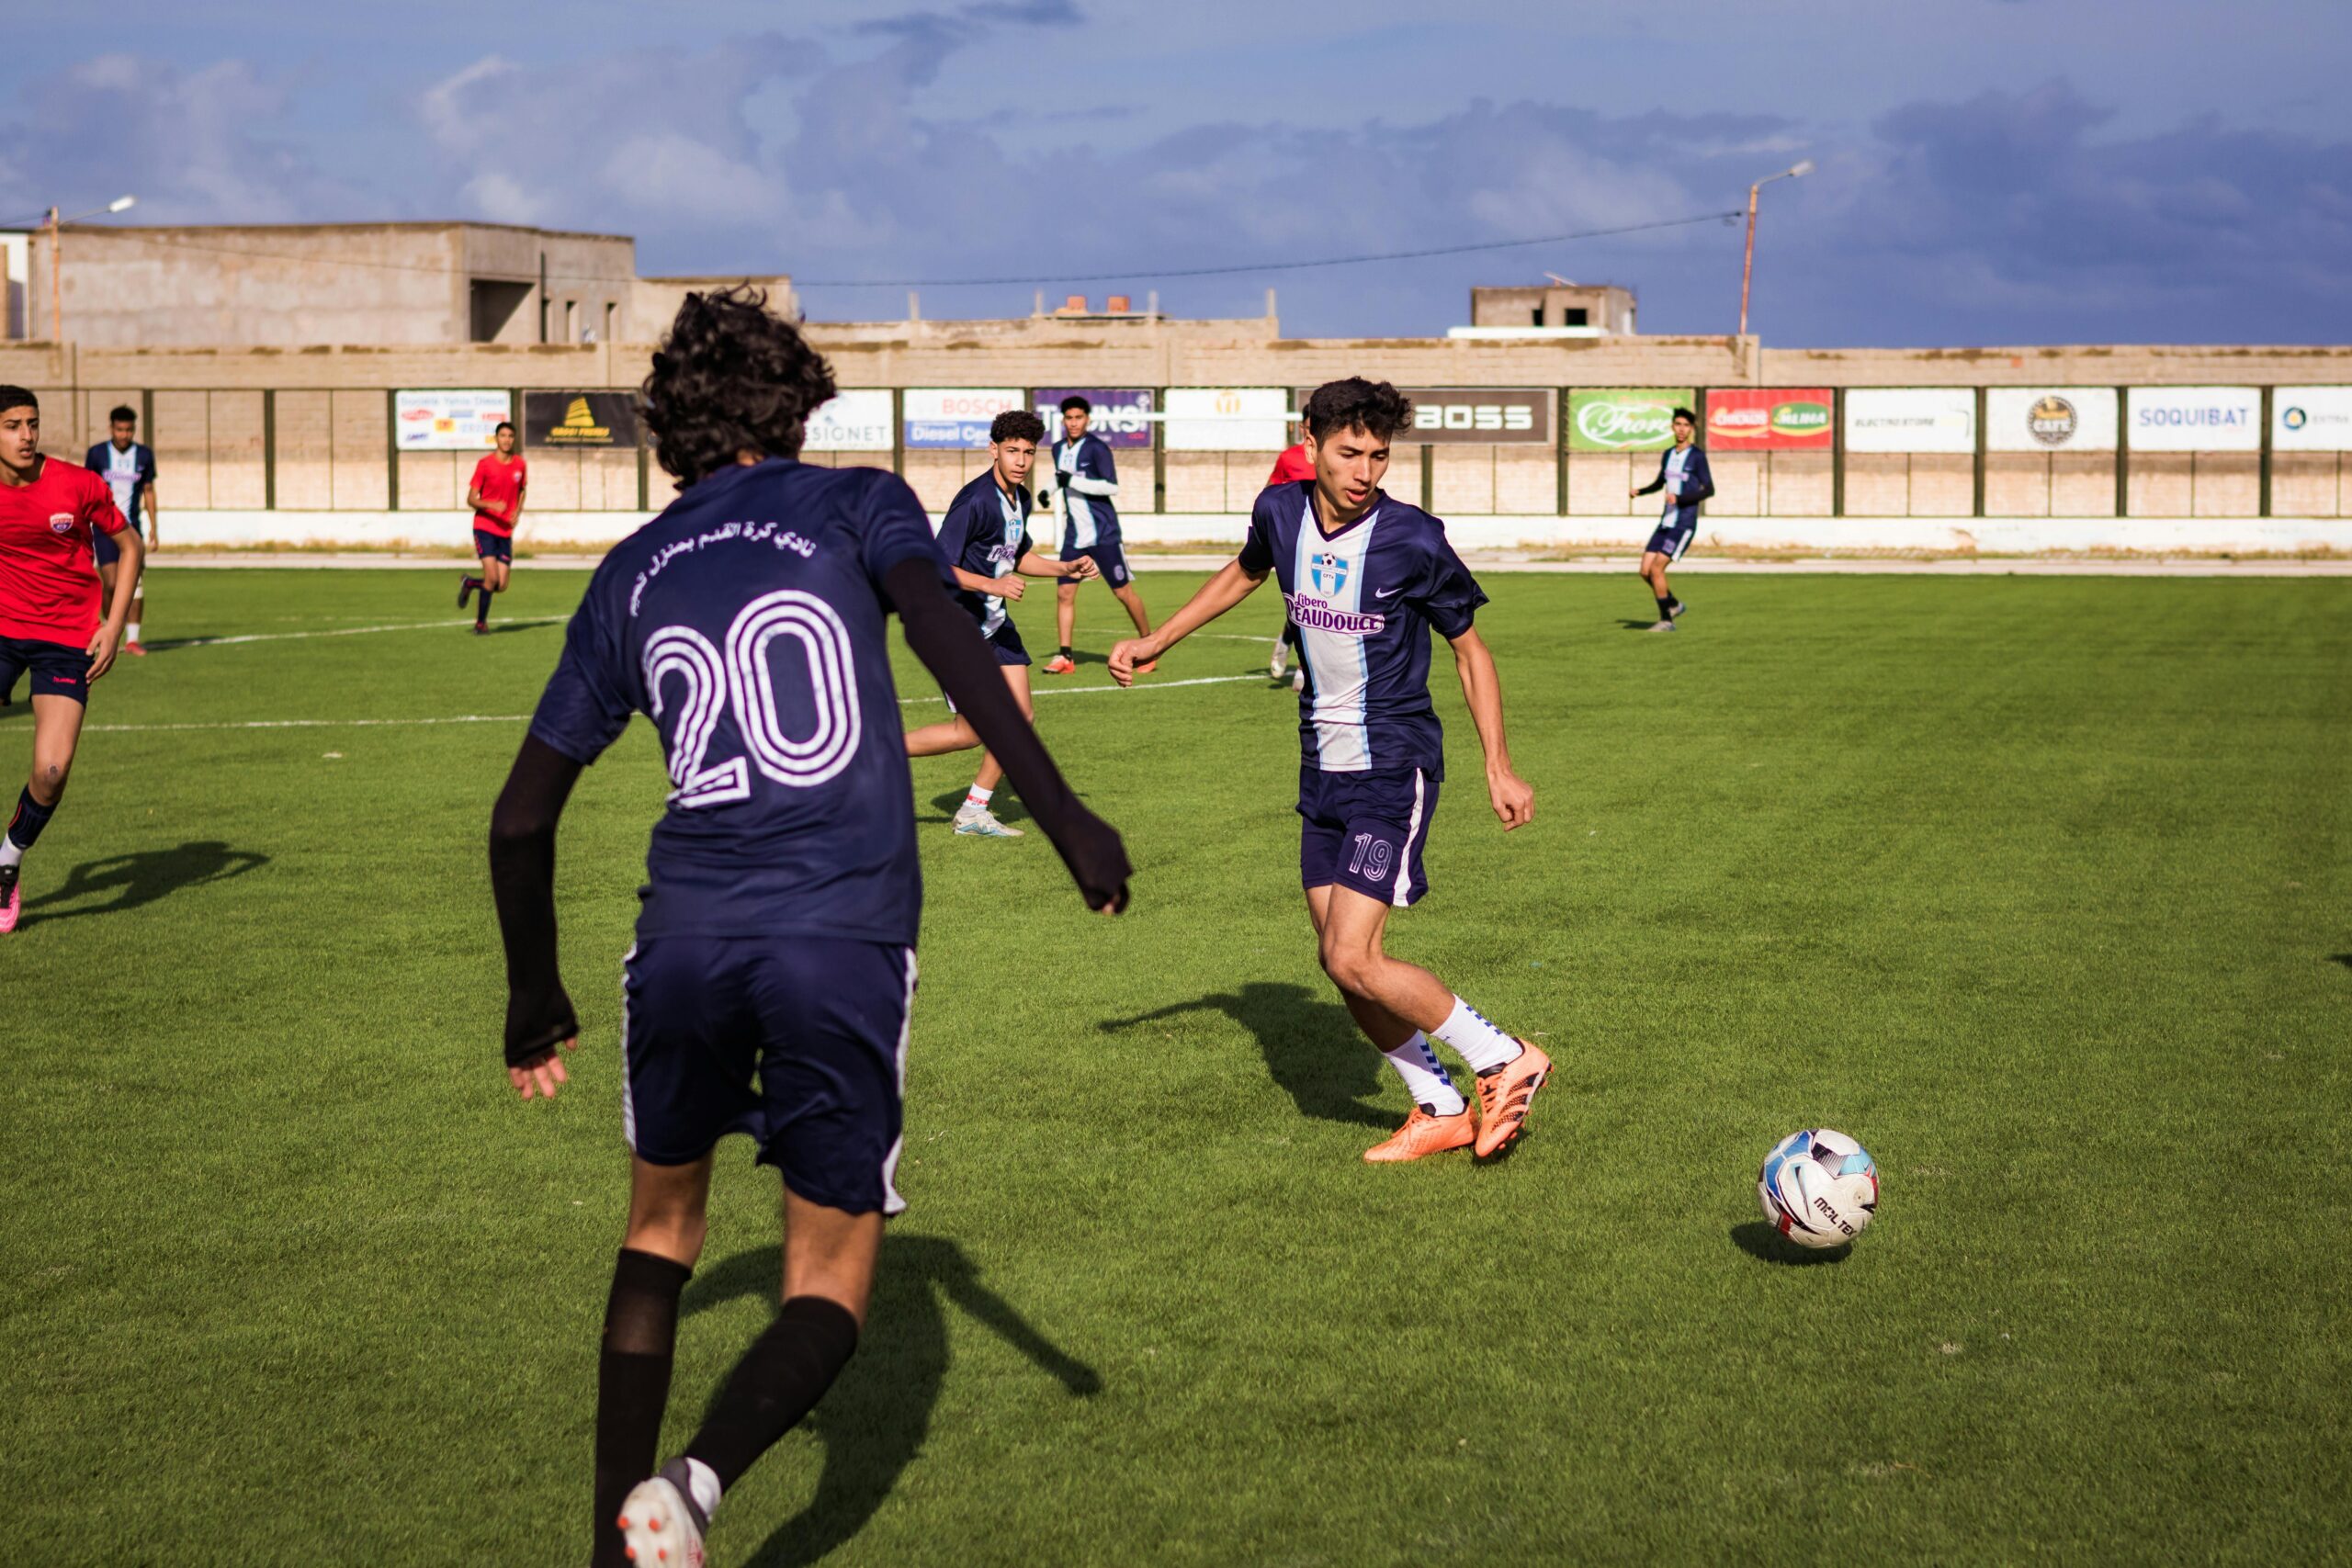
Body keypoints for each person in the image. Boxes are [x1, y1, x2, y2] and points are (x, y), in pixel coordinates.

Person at [486, 288, 1130, 1568]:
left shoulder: (629, 568)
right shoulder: (854, 502)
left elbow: (518, 819)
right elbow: (949, 637)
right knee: (830, 1284)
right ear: (799, 398)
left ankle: (614, 1547)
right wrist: (1062, 814)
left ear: (668, 422)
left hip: (677, 936)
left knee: (659, 1230)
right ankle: (694, 1484)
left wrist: (529, 991)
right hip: (836, 930)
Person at [1109, 377, 1549, 1164]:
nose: (1365, 470)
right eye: (1350, 452)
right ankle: (1438, 1104)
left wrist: (1500, 765)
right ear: (1308, 440)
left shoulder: (1413, 538)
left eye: (1379, 456)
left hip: (1393, 765)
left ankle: (1503, 1056)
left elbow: (1470, 650)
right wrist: (1158, 639)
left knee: (1354, 955)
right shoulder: (1280, 511)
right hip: (1321, 771)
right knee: (1341, 965)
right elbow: (1244, 572)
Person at [902, 409, 1098, 839]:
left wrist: (1067, 568)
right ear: (994, 450)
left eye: (1028, 452)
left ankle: (974, 811)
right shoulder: (974, 500)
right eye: (1012, 451)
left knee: (1020, 717)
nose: (1021, 461)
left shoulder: (1021, 498)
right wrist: (993, 583)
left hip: (995, 626)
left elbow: (1018, 555)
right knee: (969, 733)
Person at [0, 386, 141, 934]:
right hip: (3, 631)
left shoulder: (76, 484)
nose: (27, 435)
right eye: (13, 425)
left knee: (52, 772)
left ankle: (7, 863)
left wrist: (114, 625)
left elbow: (130, 547)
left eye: (32, 423)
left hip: (65, 639)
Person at [1040, 395, 1154, 675]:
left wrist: (1072, 481)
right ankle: (1065, 656)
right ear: (1063, 420)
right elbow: (1060, 477)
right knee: (1064, 593)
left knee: (1123, 593)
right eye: (1069, 418)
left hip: (1104, 534)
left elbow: (1111, 487)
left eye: (1079, 417)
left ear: (1087, 419)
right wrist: (1047, 491)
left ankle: (1151, 647)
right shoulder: (1057, 448)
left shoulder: (1097, 449)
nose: (1074, 422)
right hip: (1074, 537)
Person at [1630, 407, 1712, 632]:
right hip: (1666, 522)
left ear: (1692, 429)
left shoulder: (1697, 457)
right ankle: (1673, 604)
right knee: (1645, 571)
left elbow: (1709, 490)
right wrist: (1641, 491)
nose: (1682, 429)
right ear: (1672, 427)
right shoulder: (1668, 454)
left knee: (1657, 569)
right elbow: (1659, 484)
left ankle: (1666, 620)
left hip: (1683, 523)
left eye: (1686, 425)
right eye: (1678, 424)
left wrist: (1681, 498)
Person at [85, 404, 156, 656]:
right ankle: (109, 628)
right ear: (111, 428)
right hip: (104, 529)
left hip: (132, 529)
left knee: (135, 583)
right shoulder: (97, 454)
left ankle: (133, 639)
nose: (124, 435)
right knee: (112, 583)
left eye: (129, 430)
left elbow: (148, 491)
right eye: (120, 429)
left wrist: (154, 529)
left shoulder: (145, 455)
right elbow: (86, 490)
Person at [459, 422, 526, 634]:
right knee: (492, 578)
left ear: (514, 439)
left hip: (505, 531)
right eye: (503, 435)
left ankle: (470, 583)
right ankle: (481, 624)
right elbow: (470, 499)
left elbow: (522, 489)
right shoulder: (485, 464)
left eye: (510, 436)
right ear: (496, 438)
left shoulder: (519, 465)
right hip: (485, 527)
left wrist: (518, 510)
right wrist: (491, 504)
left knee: (502, 584)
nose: (506, 440)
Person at [1263, 441, 1314, 691]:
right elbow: (1271, 490)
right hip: (1295, 538)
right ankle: (1287, 637)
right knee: (1302, 599)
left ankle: (1303, 669)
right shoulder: (1289, 458)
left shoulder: (1337, 457)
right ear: (1305, 428)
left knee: (1317, 600)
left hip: (1326, 539)